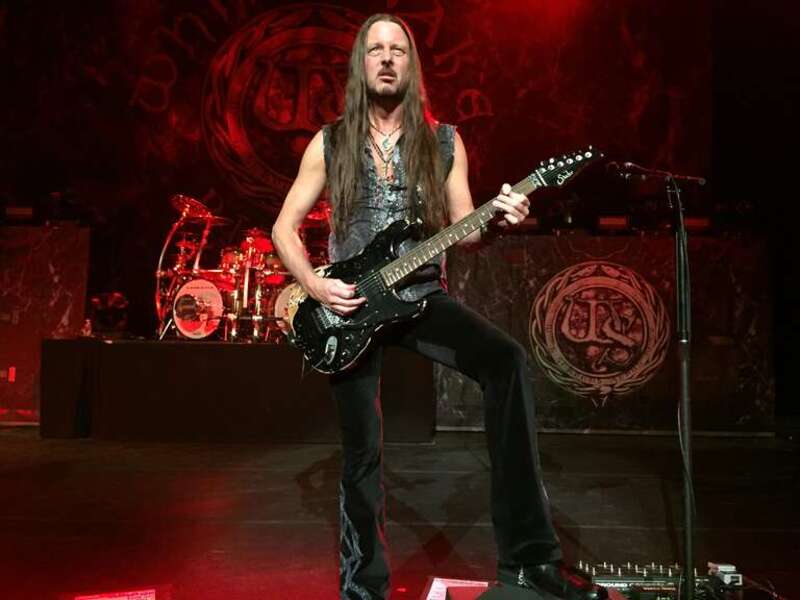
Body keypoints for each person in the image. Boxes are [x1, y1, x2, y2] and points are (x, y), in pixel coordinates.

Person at [272, 13, 605, 600]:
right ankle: (363, 589)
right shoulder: (330, 142)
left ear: (411, 64)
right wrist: (317, 286)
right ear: (360, 64)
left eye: (397, 49)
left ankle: (530, 560)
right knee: (363, 451)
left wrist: (501, 215)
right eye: (374, 49)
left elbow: (465, 227)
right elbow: (283, 229)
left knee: (506, 361)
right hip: (349, 309)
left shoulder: (445, 141)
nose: (385, 57)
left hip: (422, 296)